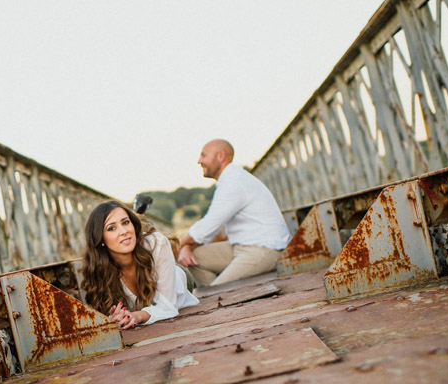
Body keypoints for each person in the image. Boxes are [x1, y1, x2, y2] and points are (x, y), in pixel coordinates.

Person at [177, 139, 291, 287]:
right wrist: (187, 247)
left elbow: (207, 227)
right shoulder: (229, 180)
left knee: (217, 291)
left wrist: (174, 245)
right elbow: (209, 229)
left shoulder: (234, 182)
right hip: (241, 245)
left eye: (204, 155)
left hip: (264, 249)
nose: (199, 161)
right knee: (195, 257)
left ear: (221, 156)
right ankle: (215, 301)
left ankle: (215, 297)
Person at [81, 200, 199, 329]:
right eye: (112, 228)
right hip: (146, 302)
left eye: (125, 222)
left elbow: (168, 307)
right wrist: (117, 317)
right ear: (101, 238)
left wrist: (137, 316)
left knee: (181, 277)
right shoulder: (99, 269)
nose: (123, 231)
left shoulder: (157, 243)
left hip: (178, 280)